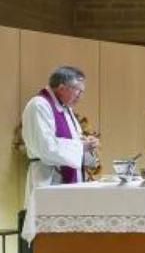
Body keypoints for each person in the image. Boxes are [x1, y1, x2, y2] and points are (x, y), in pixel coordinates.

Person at [20, 66, 97, 207]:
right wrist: (80, 147)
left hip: (68, 179)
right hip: (48, 179)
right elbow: (45, 147)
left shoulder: (66, 110)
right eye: (78, 91)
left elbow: (75, 144)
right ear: (62, 88)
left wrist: (87, 145)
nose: (80, 96)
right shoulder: (39, 105)